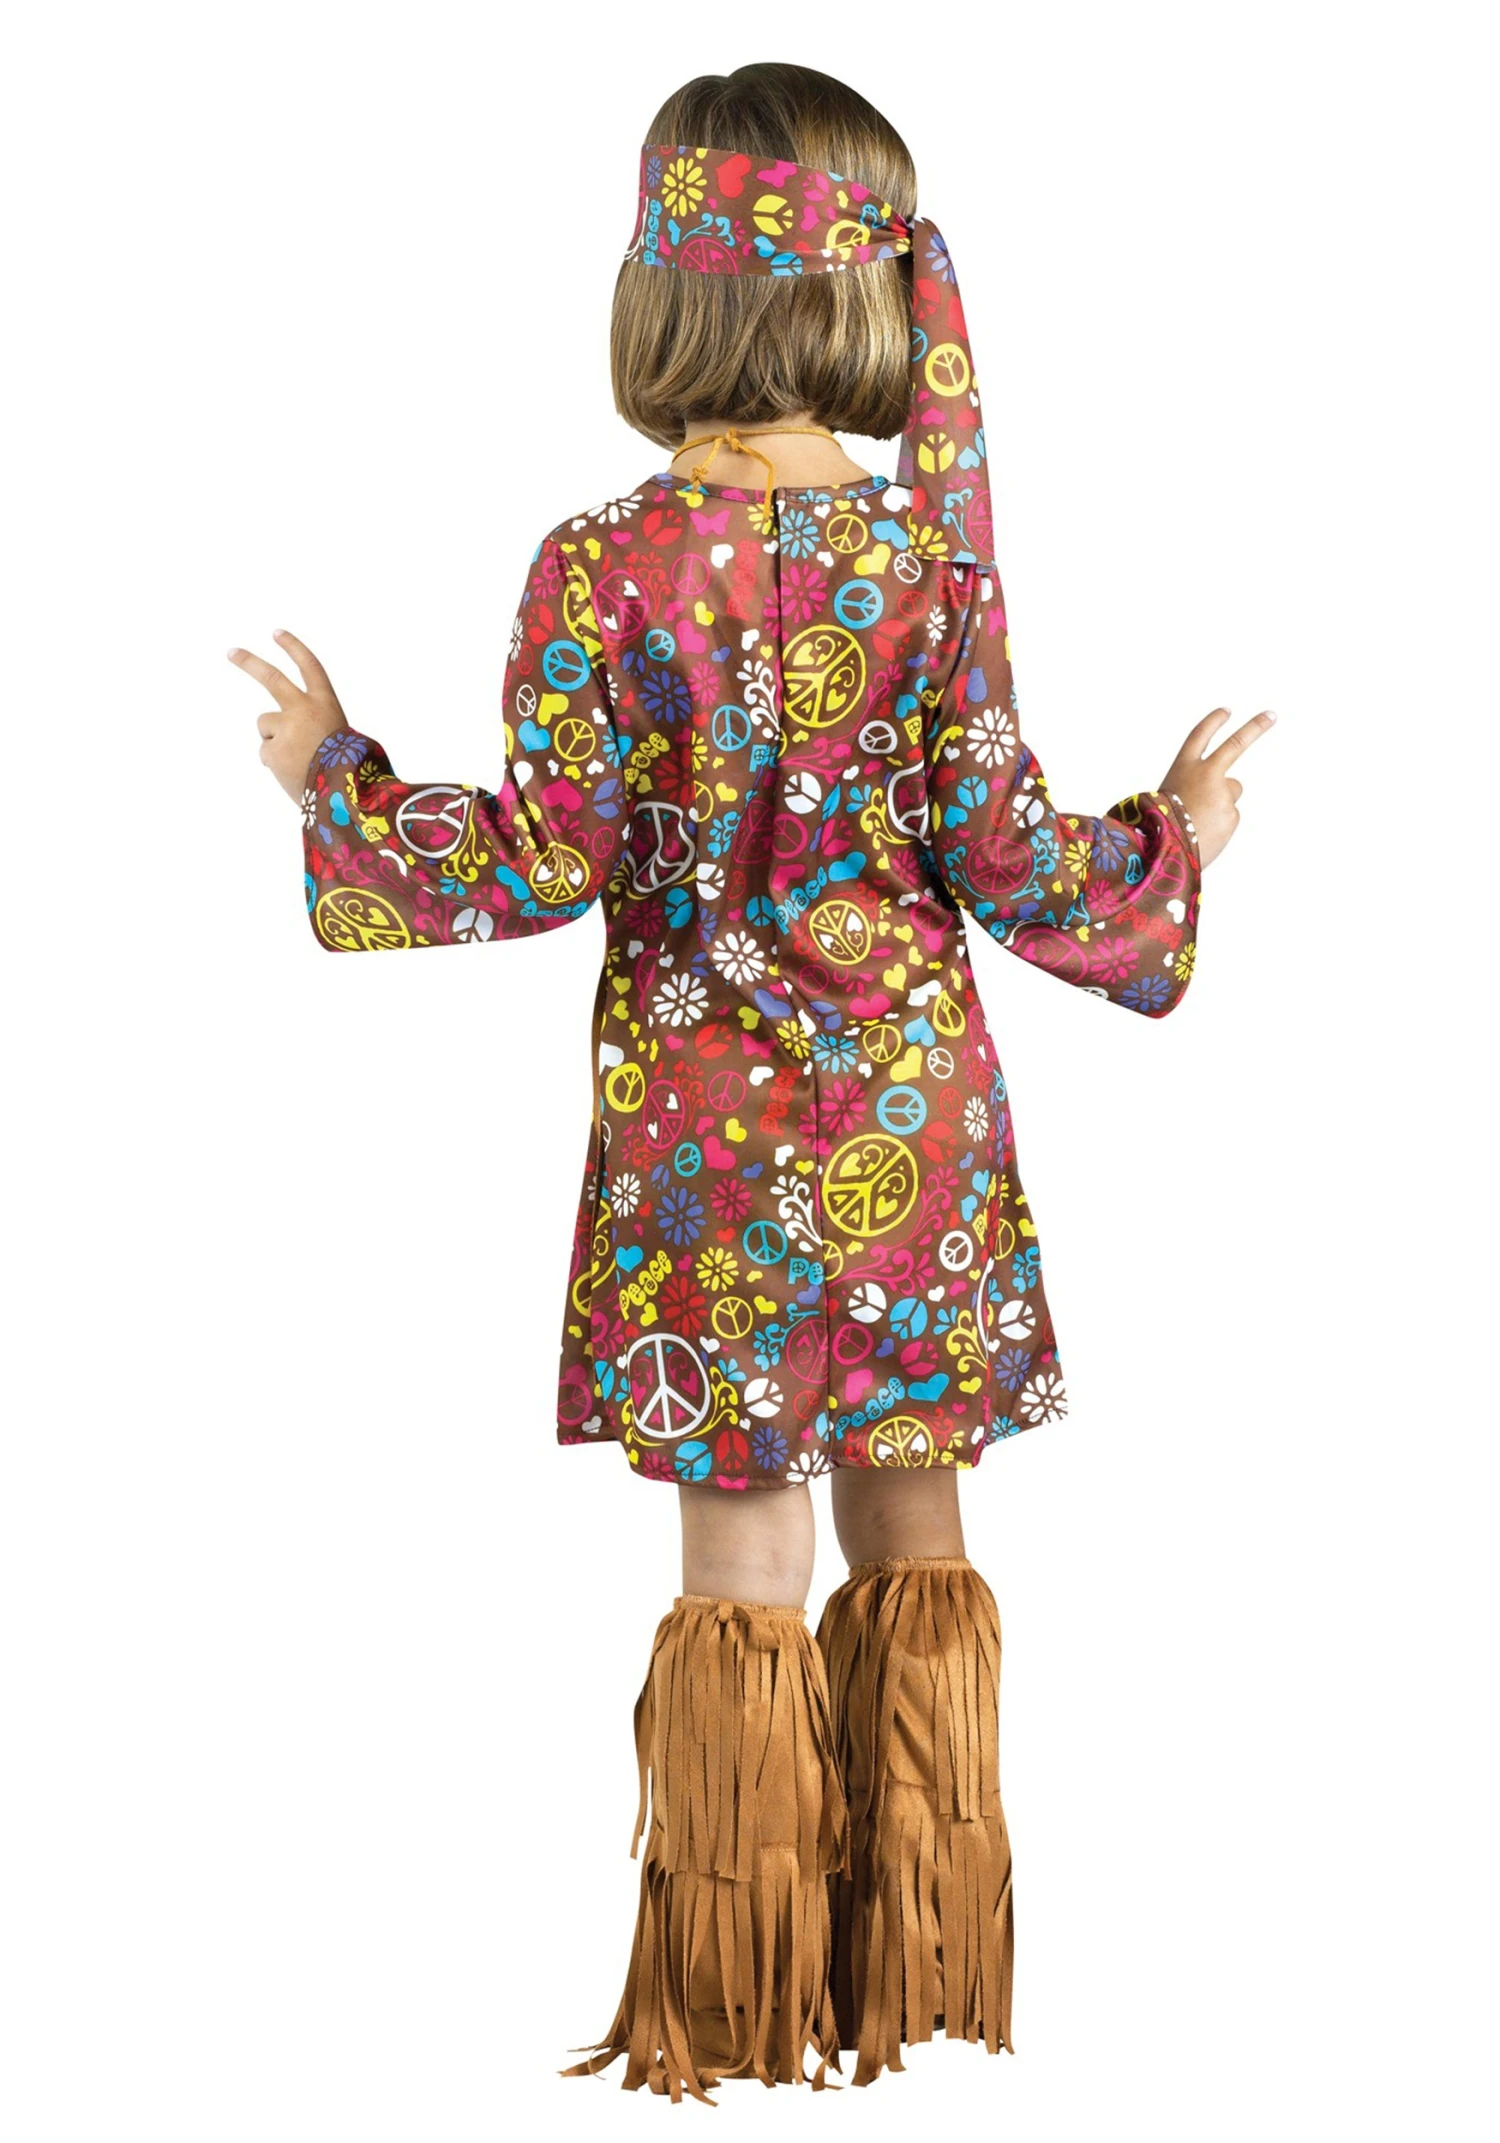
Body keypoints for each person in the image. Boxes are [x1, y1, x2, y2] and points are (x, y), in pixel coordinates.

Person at [230, 62, 1273, 2102]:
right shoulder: (929, 564)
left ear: (666, 290)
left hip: (701, 1155)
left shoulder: (598, 568)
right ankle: (922, 1967)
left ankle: (728, 2004)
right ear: (866, 297)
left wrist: (333, 783)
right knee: (917, 1515)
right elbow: (1006, 859)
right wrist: (1174, 845)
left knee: (739, 1565)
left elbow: (537, 861)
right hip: (909, 1132)